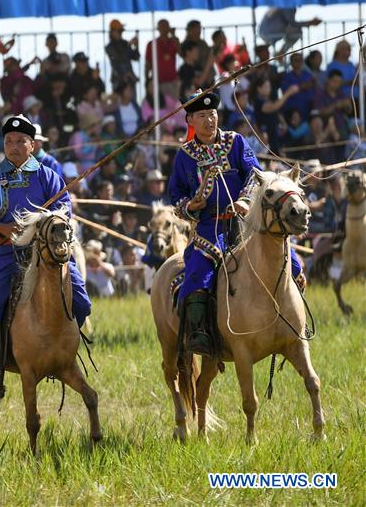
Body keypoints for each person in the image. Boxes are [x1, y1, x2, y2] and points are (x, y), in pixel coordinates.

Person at [168, 92, 305, 355]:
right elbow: (175, 195)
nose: (210, 120)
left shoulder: (235, 142)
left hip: (245, 222)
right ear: (190, 120)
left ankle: (292, 319)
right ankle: (201, 333)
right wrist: (190, 206)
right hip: (209, 227)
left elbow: (256, 176)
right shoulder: (184, 155)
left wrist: (244, 200)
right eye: (202, 116)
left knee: (293, 264)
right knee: (198, 272)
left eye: (213, 114)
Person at [0, 115, 91, 375]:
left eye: (21, 141)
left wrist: (41, 225)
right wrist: (0, 227)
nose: (14, 146)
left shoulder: (48, 176)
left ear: (32, 145)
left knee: (79, 295)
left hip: (46, 252)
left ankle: (65, 347)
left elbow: (63, 210)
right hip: (7, 250)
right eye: (9, 141)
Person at [105, 19, 140, 88]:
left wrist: (136, 46)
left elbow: (136, 57)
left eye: (121, 31)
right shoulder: (109, 47)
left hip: (130, 80)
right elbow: (118, 58)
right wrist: (128, 46)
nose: (121, 33)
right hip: (118, 80)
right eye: (119, 31)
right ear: (112, 32)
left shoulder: (125, 43)